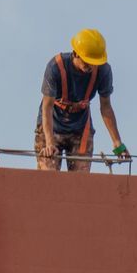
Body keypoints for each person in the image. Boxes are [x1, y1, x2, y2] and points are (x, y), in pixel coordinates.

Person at [35, 28, 128, 172]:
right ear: (75, 54)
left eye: (94, 62)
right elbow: (47, 107)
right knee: (48, 179)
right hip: (51, 127)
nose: (91, 66)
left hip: (80, 129)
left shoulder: (103, 71)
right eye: (88, 61)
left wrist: (117, 143)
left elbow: (106, 107)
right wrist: (49, 143)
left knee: (80, 182)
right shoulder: (56, 67)